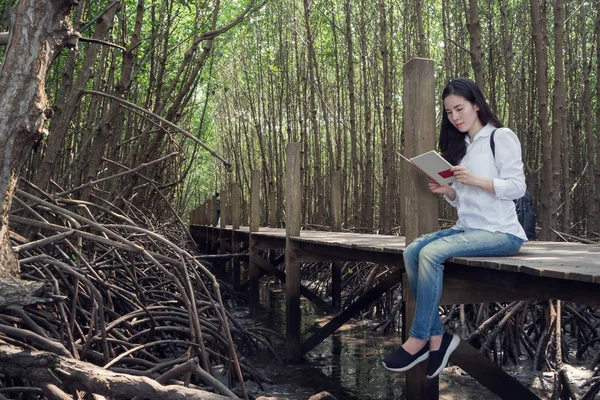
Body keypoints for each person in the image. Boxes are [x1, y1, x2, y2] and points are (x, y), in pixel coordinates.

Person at [382, 78, 528, 379]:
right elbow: (467, 201)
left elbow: (517, 187)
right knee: (412, 251)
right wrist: (448, 191)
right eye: (449, 112)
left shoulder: (500, 137)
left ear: (476, 104)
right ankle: (439, 338)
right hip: (468, 229)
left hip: (502, 233)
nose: (455, 117)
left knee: (431, 253)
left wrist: (474, 180)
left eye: (459, 108)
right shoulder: (463, 146)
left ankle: (419, 339)